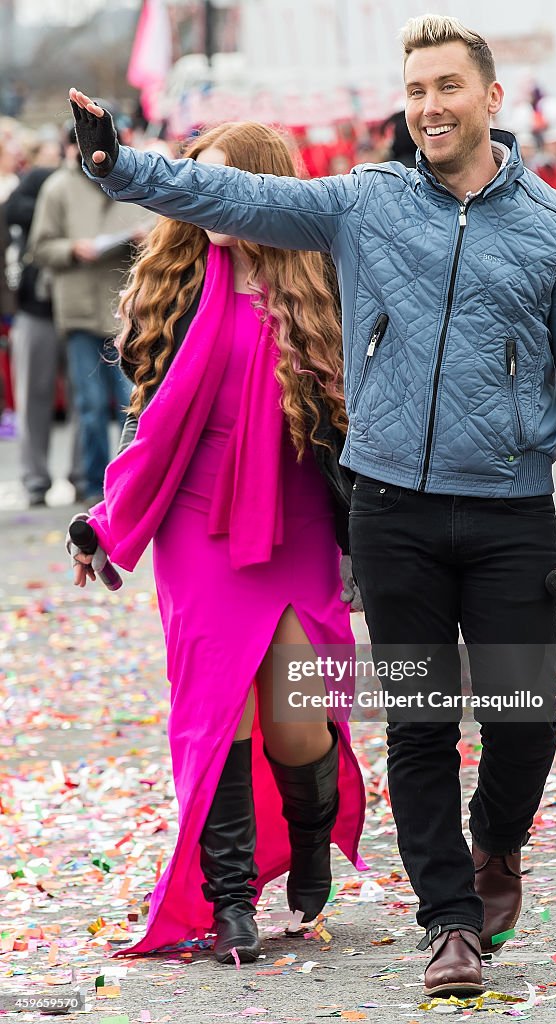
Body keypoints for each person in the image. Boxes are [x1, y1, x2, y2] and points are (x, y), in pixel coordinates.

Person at [69, 11, 556, 998]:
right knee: (418, 723)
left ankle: (495, 842)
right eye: (415, 91)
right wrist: (122, 165)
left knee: (522, 715)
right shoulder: (364, 203)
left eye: (447, 87)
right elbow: (228, 188)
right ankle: (449, 923)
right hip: (393, 510)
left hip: (507, 509)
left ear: (489, 97)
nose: (430, 107)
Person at [65, 121, 366, 964]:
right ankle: (229, 901)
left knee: (299, 722)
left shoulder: (329, 281)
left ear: (271, 186)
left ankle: (308, 843)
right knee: (219, 714)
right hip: (199, 530)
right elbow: (154, 432)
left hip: (302, 522)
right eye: (195, 183)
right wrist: (104, 521)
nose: (208, 201)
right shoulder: (182, 285)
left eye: (227, 181)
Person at [27, 122, 155, 506]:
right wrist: (72, 249)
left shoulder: (130, 179)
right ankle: (94, 485)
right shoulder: (57, 189)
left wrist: (148, 238)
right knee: (89, 404)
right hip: (80, 310)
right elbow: (40, 248)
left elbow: (160, 233)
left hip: (127, 310)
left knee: (131, 399)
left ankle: (133, 483)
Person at [5, 132, 85, 505]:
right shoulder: (40, 182)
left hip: (80, 309)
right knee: (33, 398)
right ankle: (35, 480)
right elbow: (12, 217)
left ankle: (83, 477)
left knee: (84, 398)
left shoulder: (96, 184)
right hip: (34, 308)